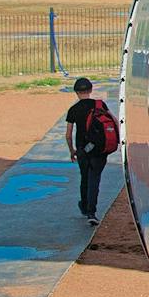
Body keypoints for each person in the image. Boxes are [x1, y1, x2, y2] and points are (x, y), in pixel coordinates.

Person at [65, 76, 110, 224]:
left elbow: (68, 135)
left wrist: (72, 150)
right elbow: (113, 122)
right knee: (94, 179)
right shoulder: (100, 105)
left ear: (76, 92)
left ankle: (84, 207)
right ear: (91, 90)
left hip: (83, 149)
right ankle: (92, 212)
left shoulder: (73, 110)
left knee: (85, 177)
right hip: (99, 148)